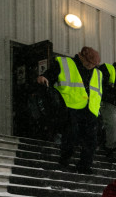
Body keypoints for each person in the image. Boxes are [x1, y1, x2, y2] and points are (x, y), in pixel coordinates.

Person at [37, 46, 103, 174]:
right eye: (89, 63)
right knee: (71, 135)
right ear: (81, 56)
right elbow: (51, 74)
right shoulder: (65, 63)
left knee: (91, 139)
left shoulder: (98, 73)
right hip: (70, 106)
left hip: (90, 109)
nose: (91, 67)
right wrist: (44, 77)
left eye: (94, 65)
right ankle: (64, 160)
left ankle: (85, 166)